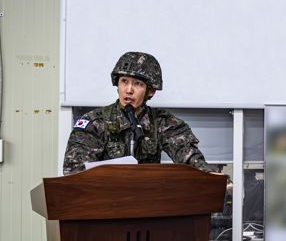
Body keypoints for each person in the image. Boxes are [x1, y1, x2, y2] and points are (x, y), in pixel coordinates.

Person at [63, 51, 216, 175]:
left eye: (137, 84)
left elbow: (189, 158)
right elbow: (75, 172)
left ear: (151, 92)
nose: (129, 90)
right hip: (104, 203)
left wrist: (209, 174)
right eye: (124, 81)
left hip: (147, 202)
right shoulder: (95, 122)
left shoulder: (162, 122)